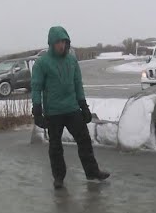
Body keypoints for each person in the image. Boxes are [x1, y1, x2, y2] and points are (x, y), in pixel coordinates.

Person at [31, 26, 110, 189]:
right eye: (58, 42)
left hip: (72, 108)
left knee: (84, 141)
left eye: (64, 42)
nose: (61, 45)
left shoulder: (72, 60)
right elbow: (36, 87)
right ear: (51, 43)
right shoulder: (42, 63)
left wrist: (84, 107)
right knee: (55, 146)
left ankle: (92, 172)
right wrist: (37, 110)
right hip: (53, 112)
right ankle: (59, 177)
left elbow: (77, 84)